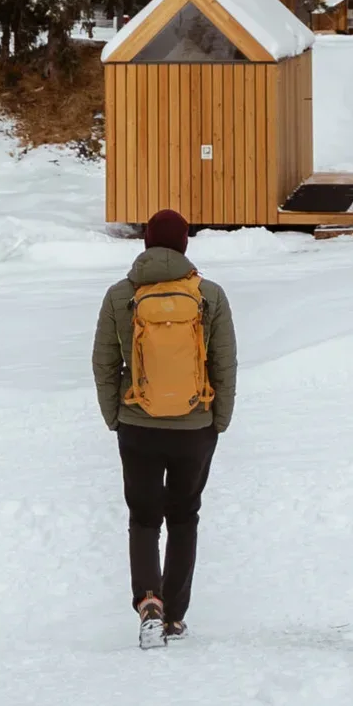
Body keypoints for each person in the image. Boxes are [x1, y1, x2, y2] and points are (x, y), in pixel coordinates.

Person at [91, 208, 237, 648]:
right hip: (195, 426)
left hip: (138, 425)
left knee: (143, 519)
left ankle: (148, 602)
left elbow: (103, 364)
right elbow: (224, 365)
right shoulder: (209, 294)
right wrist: (219, 419)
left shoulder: (121, 295)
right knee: (184, 517)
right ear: (185, 244)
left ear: (146, 243)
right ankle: (173, 616)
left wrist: (115, 415)